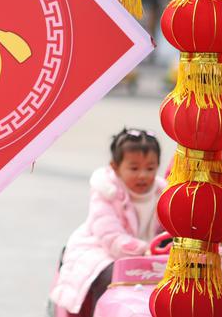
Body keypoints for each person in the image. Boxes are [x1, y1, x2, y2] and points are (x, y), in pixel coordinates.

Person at [49, 129, 166, 317]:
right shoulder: (106, 191)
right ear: (115, 167)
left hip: (147, 253)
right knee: (109, 276)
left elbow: (169, 228)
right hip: (101, 249)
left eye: (150, 168)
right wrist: (144, 249)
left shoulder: (162, 193)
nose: (143, 175)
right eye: (134, 168)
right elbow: (110, 236)